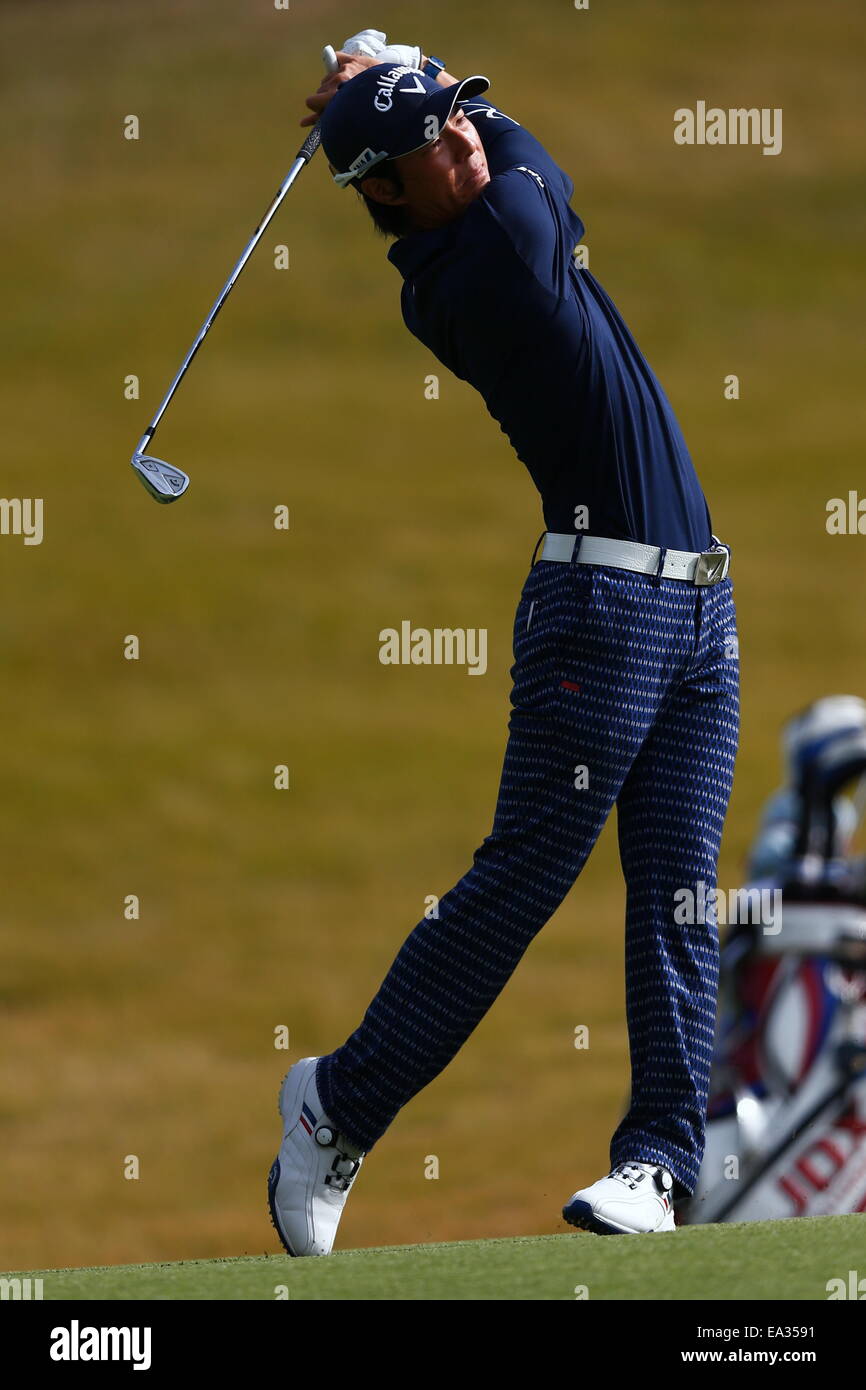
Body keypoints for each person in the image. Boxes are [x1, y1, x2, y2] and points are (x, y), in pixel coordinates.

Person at [268, 32, 741, 1255]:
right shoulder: (484, 265)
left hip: (696, 605)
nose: (464, 136)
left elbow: (496, 136)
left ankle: (656, 1164)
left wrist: (399, 77)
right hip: (600, 612)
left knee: (680, 895)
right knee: (523, 880)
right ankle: (336, 1104)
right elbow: (539, 161)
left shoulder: (470, 205)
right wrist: (398, 59)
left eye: (459, 115)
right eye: (430, 138)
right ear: (384, 188)